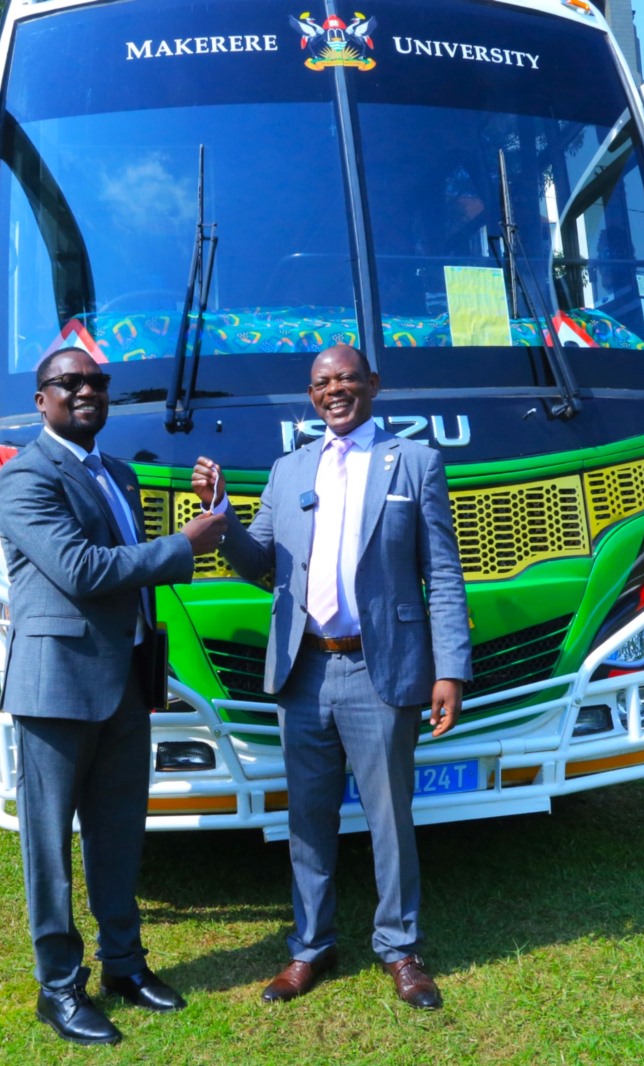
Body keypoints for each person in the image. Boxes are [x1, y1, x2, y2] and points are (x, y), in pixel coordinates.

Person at [190, 343, 472, 1010]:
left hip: (383, 670)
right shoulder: (289, 471)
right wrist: (223, 512)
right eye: (323, 382)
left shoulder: (416, 462)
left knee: (388, 820)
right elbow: (260, 564)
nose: (335, 390)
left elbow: (445, 576)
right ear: (311, 394)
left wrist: (451, 669)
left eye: (347, 378)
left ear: (372, 384)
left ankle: (400, 949)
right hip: (305, 670)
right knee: (308, 821)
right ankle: (310, 948)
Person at [0, 346, 228, 1046]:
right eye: (71, 383)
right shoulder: (26, 476)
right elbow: (82, 569)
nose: (88, 391)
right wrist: (185, 544)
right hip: (56, 687)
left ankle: (124, 965)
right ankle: (59, 989)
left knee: (120, 833)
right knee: (50, 846)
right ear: (43, 400)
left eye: (97, 382)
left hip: (126, 681)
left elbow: (129, 570)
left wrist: (204, 512)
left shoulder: (118, 475)